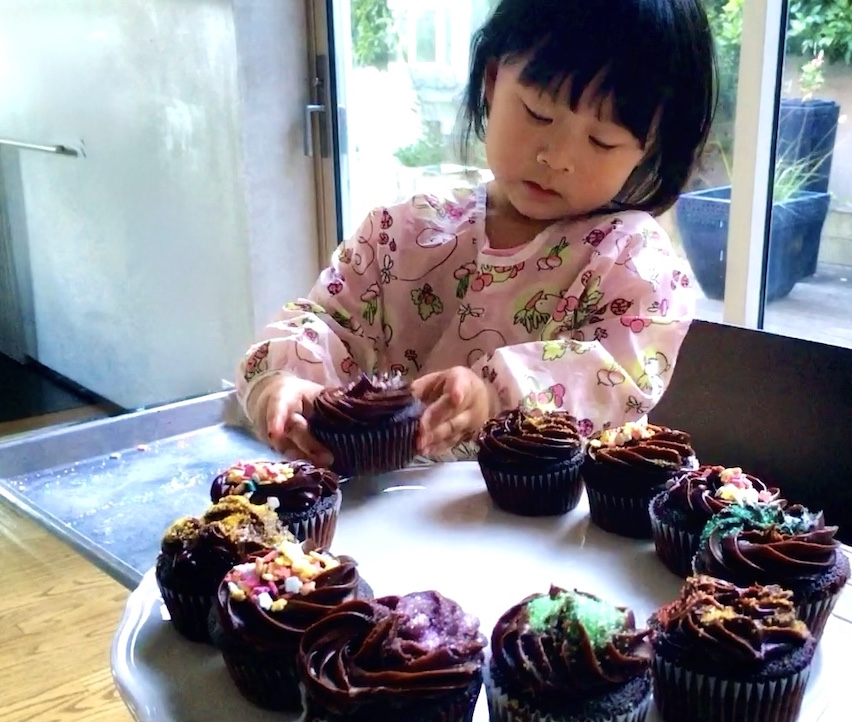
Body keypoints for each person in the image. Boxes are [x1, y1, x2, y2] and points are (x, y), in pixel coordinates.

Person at [237, 0, 716, 466]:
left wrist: (493, 393)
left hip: (544, 534)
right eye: (538, 114)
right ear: (491, 81)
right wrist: (283, 384)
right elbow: (324, 321)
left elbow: (615, 372)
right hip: (385, 526)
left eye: (601, 141)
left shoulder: (633, 263)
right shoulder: (400, 235)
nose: (557, 158)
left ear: (649, 147)